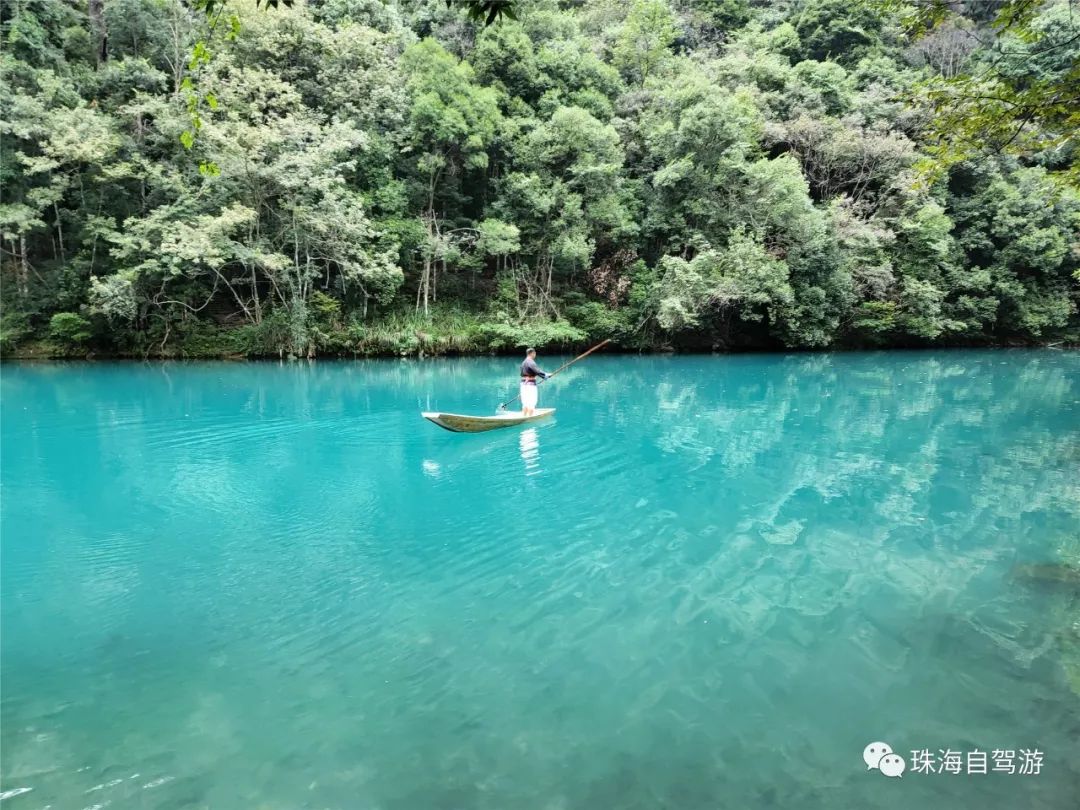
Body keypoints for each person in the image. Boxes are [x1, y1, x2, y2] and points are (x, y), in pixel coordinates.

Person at [519, 348, 549, 416]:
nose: (535, 355)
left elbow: (522, 373)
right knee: (531, 402)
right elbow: (537, 371)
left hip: (523, 384)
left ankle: (524, 417)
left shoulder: (523, 362)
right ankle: (529, 418)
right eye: (534, 353)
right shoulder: (530, 361)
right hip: (530, 385)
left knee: (525, 403)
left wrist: (544, 376)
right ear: (532, 353)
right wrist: (546, 375)